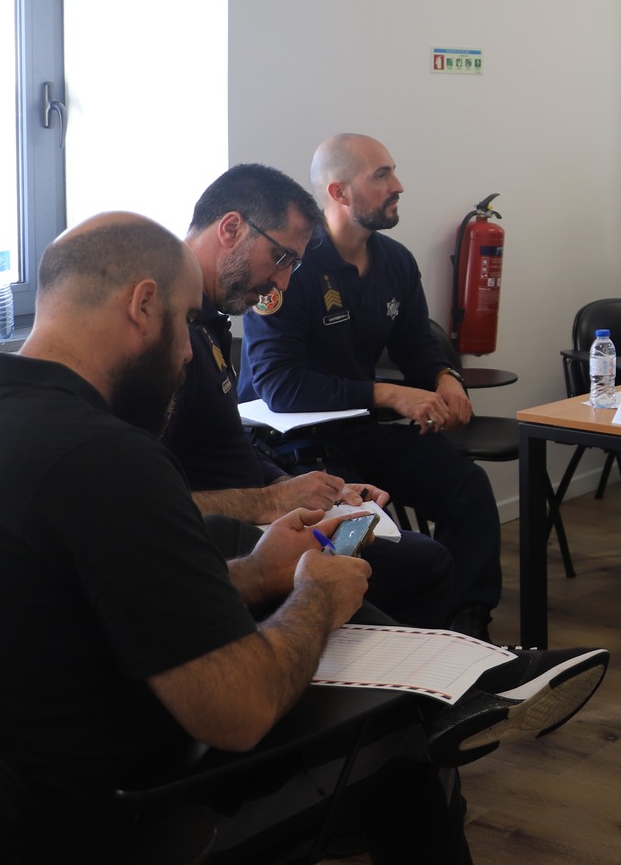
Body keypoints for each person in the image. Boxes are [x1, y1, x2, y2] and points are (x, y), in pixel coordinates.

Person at [0, 214, 475, 859]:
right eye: (185, 322)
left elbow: (71, 599)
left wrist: (260, 573)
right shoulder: (107, 458)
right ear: (143, 305)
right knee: (407, 737)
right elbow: (239, 713)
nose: (188, 352)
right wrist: (316, 596)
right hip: (107, 823)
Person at [168, 162, 458, 629]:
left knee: (427, 541)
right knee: (420, 565)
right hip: (226, 543)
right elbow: (156, 501)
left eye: (294, 266)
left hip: (259, 512)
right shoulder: (167, 338)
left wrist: (307, 489)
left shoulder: (209, 321)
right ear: (231, 228)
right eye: (281, 258)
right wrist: (269, 501)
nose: (283, 283)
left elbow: (230, 445)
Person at [241, 134, 502, 639]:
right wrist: (389, 394)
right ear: (338, 193)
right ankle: (379, 641)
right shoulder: (289, 264)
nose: (397, 186)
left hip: (360, 426)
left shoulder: (395, 262)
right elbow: (279, 386)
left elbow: (416, 344)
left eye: (393, 172)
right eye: (380, 176)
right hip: (293, 442)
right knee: (364, 527)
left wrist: (445, 377)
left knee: (466, 487)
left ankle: (467, 628)